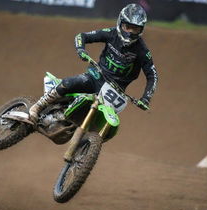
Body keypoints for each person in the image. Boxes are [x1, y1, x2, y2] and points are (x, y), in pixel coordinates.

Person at [29, 3, 158, 122]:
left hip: (115, 92)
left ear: (141, 30)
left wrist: (146, 98)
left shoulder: (142, 51)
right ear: (121, 23)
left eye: (135, 29)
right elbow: (82, 36)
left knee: (105, 119)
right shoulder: (110, 33)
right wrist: (81, 50)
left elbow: (153, 76)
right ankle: (38, 106)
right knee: (69, 83)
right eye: (128, 27)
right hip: (96, 76)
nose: (130, 32)